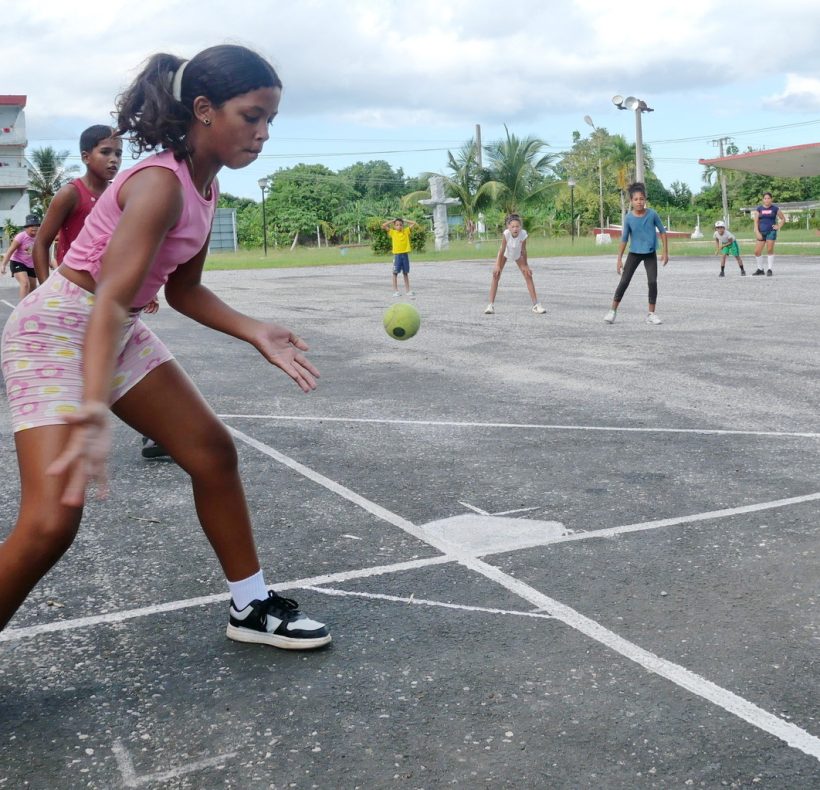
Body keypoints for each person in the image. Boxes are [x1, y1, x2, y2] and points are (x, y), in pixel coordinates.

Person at [0, 45, 331, 650]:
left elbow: (184, 290)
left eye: (270, 122)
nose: (261, 135)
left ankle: (251, 605)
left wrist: (254, 328)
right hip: (57, 329)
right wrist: (93, 411)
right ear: (204, 109)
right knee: (51, 521)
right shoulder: (158, 184)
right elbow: (105, 297)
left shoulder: (205, 188)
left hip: (112, 324)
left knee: (211, 452)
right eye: (251, 117)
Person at [32, 125, 168, 460]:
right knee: (81, 373)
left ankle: (154, 434)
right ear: (85, 156)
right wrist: (46, 288)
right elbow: (41, 243)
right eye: (105, 152)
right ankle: (60, 442)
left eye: (119, 153)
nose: (113, 160)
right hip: (75, 297)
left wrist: (144, 290)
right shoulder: (71, 194)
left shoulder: (122, 193)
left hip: (115, 297)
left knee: (138, 365)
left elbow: (133, 249)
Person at [604, 183, 668, 325]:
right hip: (634, 253)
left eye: (642, 199)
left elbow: (663, 232)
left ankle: (651, 314)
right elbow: (624, 239)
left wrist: (665, 252)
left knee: (652, 282)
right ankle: (612, 311)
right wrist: (619, 259)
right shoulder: (629, 218)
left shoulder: (652, 214)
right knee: (624, 281)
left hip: (650, 253)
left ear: (645, 200)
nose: (639, 202)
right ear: (631, 201)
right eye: (636, 199)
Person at [483, 213, 546, 314]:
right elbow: (502, 249)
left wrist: (526, 265)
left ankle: (536, 305)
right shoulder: (506, 234)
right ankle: (490, 305)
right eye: (512, 226)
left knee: (528, 275)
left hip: (517, 254)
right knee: (496, 275)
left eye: (517, 226)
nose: (515, 228)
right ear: (509, 227)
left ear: (520, 226)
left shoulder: (523, 234)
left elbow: (524, 250)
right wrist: (497, 265)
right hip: (505, 253)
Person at [1, 214, 40, 301]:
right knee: (25, 284)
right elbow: (10, 251)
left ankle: (29, 306)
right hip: (17, 262)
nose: (34, 227)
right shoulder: (21, 237)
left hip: (31, 265)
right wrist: (3, 265)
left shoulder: (39, 237)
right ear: (26, 227)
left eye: (36, 225)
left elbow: (42, 251)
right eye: (31, 225)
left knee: (33, 288)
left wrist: (49, 263)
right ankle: (21, 310)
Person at [751, 192, 785, 276]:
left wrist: (778, 226)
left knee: (769, 249)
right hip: (761, 232)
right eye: (765, 198)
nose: (767, 200)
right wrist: (757, 232)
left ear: (771, 199)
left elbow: (783, 218)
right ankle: (760, 269)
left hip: (771, 231)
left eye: (768, 198)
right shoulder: (759, 209)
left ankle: (769, 269)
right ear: (763, 199)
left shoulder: (775, 209)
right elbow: (756, 221)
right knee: (757, 251)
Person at [381, 217, 417, 297]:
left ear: (402, 225)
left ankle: (408, 291)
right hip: (397, 256)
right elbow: (383, 225)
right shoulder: (392, 232)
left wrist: (405, 220)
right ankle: (396, 291)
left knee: (405, 273)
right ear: (394, 226)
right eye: (397, 225)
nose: (399, 226)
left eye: (400, 225)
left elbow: (414, 223)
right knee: (395, 273)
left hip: (405, 255)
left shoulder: (406, 231)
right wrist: (392, 221)